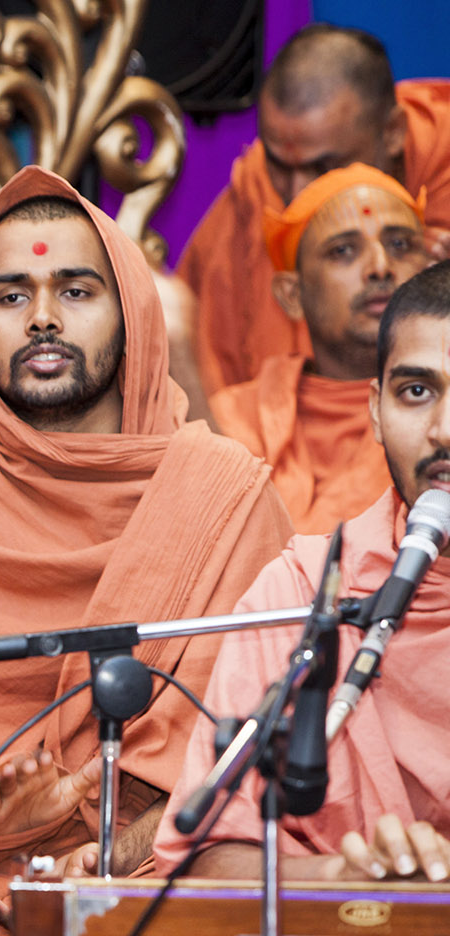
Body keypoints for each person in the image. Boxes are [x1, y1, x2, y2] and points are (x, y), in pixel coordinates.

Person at [0, 166, 293, 936]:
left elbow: (258, 750)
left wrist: (109, 848)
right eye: (11, 295)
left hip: (166, 877)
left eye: (75, 290)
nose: (42, 317)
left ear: (130, 313)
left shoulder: (226, 497)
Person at [155, 261, 450, 882]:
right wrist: (349, 880)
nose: (443, 431)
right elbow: (205, 857)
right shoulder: (305, 591)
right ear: (375, 411)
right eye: (416, 392)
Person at [176, 24, 450, 397]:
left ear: (393, 132)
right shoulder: (254, 196)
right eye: (278, 164)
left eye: (323, 167)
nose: (296, 194)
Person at [212, 164, 432, 533]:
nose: (380, 267)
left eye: (400, 245)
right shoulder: (233, 419)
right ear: (292, 295)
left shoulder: (442, 416)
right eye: (343, 250)